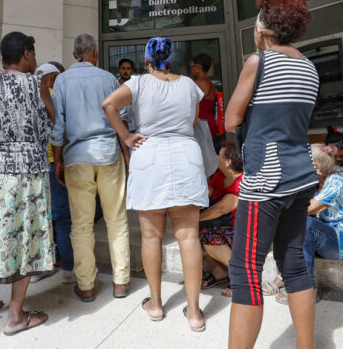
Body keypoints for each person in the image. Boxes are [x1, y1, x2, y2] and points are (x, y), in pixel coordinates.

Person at [224, 0, 319, 348]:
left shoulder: (258, 61)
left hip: (265, 178)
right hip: (301, 175)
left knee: (245, 268)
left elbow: (232, 119)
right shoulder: (308, 67)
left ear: (263, 26)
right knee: (293, 261)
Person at [103, 36, 208, 331]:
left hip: (149, 155)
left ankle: (156, 304)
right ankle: (195, 313)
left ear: (147, 61)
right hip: (186, 155)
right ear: (171, 61)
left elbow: (109, 104)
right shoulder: (189, 85)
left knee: (151, 237)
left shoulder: (137, 83)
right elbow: (192, 123)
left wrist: (125, 136)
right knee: (189, 236)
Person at [0, 32, 55, 336]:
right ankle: (16, 315)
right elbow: (51, 121)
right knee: (25, 237)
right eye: (33, 53)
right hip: (28, 171)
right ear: (26, 54)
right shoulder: (37, 84)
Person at [51, 34, 131, 302]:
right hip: (108, 154)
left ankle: (86, 285)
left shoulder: (62, 81)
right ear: (95, 53)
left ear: (75, 54)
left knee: (81, 224)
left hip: (76, 158)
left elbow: (58, 127)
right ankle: (121, 282)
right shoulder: (108, 79)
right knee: (116, 220)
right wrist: (127, 154)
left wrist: (58, 159)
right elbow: (122, 118)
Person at [272, 144, 343, 304]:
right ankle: (283, 275)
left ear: (316, 166)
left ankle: (307, 289)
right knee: (287, 224)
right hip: (329, 239)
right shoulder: (317, 184)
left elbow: (308, 209)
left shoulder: (336, 183)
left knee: (303, 223)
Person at [32, 62, 75, 284]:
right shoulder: (51, 94)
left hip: (31, 164)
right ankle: (67, 264)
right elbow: (61, 128)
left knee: (38, 215)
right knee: (61, 216)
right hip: (52, 160)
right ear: (53, 77)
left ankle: (40, 265)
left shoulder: (27, 93)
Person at [199, 140, 242, 298]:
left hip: (241, 231)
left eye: (219, 156)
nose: (216, 158)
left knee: (209, 238)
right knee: (192, 234)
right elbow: (206, 195)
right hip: (222, 226)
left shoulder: (242, 181)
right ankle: (220, 272)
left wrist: (195, 219)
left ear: (228, 161)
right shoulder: (219, 175)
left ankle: (239, 276)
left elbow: (221, 209)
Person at [189, 53, 218, 142]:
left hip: (202, 125)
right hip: (209, 123)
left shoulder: (199, 83)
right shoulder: (210, 83)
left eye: (192, 66)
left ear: (199, 67)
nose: (191, 69)